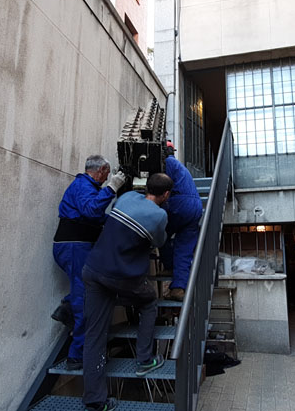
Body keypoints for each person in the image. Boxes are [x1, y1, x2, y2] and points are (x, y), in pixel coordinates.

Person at [81, 173, 174, 411]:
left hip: (93, 270)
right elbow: (159, 242)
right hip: (120, 277)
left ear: (146, 187)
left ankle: (95, 401)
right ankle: (145, 359)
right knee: (150, 301)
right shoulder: (160, 215)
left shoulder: (127, 197)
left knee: (94, 335)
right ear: (166, 195)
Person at [51, 155, 127, 370]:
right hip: (74, 247)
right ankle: (77, 355)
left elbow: (92, 216)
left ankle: (67, 307)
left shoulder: (85, 187)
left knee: (83, 290)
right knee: (84, 297)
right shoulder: (84, 185)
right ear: (101, 170)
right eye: (107, 173)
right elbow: (91, 210)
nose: (107, 178)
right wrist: (112, 189)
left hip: (75, 246)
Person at [160, 142, 203, 301]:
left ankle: (169, 265)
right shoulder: (179, 166)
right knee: (184, 249)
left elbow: (161, 187)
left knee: (160, 232)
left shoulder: (167, 163)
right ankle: (178, 288)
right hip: (195, 206)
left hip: (179, 204)